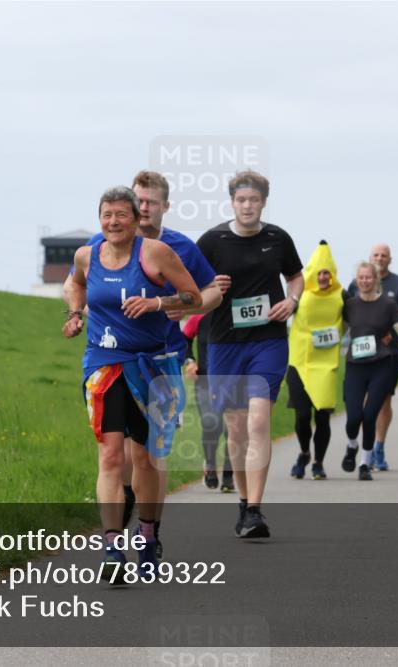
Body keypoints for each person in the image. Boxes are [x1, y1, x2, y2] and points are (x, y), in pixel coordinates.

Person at [64, 171, 223, 559]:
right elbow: (75, 283)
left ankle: (149, 536)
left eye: (122, 214)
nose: (113, 222)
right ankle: (112, 547)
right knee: (110, 454)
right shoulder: (87, 253)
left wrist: (157, 304)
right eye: (106, 215)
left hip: (153, 365)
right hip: (104, 362)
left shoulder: (157, 252)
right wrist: (75, 313)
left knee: (146, 459)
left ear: (136, 219)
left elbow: (195, 297)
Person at [196, 170, 304, 538]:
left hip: (268, 341)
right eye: (241, 200)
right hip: (225, 344)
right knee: (237, 429)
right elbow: (189, 282)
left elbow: (296, 276)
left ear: (263, 202)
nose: (247, 206)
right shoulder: (212, 240)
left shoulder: (278, 238)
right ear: (232, 202)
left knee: (259, 421)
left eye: (254, 200)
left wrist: (292, 301)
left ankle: (256, 510)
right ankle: (243, 504)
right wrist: (209, 285)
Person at [346, 244, 398, 471]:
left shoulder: (397, 288)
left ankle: (376, 449)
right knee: (357, 410)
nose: (379, 258)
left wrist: (394, 316)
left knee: (379, 404)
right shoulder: (351, 296)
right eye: (375, 255)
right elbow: (342, 321)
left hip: (387, 355)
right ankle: (354, 444)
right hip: (357, 360)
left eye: (383, 255)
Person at [286, 241, 343, 481]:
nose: (322, 277)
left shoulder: (341, 296)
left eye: (326, 273)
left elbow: (359, 316)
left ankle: (318, 462)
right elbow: (282, 313)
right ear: (312, 273)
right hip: (299, 361)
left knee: (322, 416)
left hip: (326, 364)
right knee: (301, 416)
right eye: (319, 272)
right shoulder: (301, 295)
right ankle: (304, 452)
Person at [183, 312, 234, 492]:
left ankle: (228, 474)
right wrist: (190, 362)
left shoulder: (234, 312)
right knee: (211, 422)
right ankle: (210, 466)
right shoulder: (199, 317)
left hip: (232, 380)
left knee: (232, 429)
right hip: (204, 381)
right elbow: (184, 339)